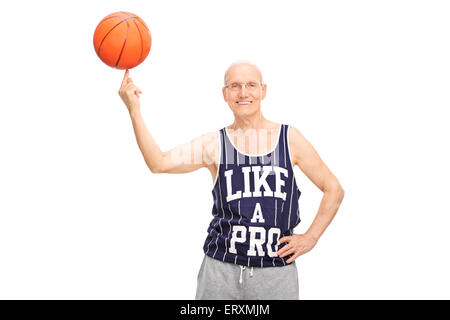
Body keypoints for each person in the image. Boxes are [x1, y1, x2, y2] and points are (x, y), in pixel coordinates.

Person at [118, 61, 345, 300]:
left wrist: (311, 237)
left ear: (263, 91)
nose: (244, 93)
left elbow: (334, 189)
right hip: (220, 271)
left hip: (276, 274)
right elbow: (159, 162)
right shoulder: (214, 145)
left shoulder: (289, 139)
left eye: (251, 85)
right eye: (235, 86)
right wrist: (134, 110)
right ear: (225, 94)